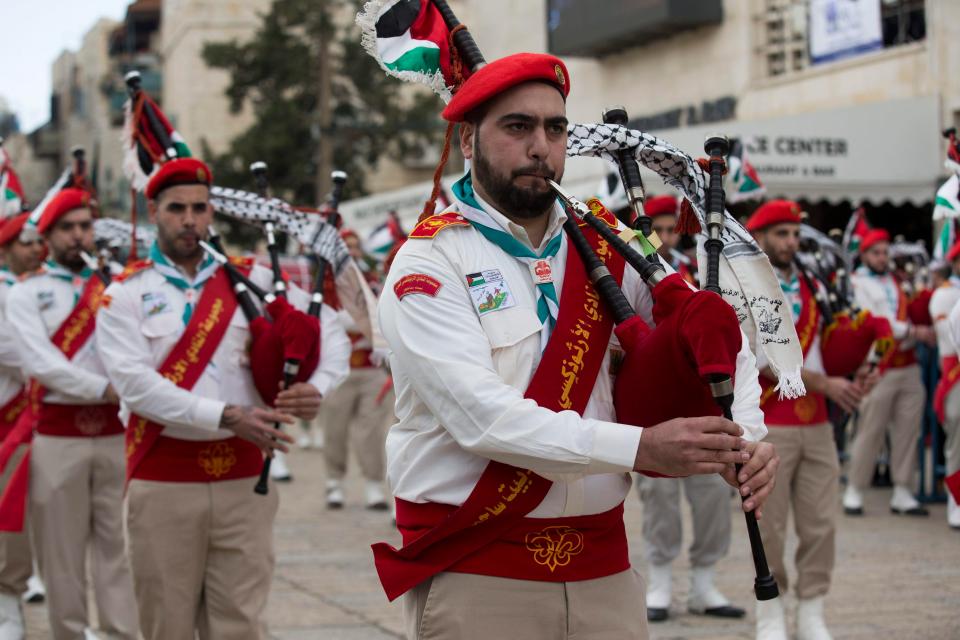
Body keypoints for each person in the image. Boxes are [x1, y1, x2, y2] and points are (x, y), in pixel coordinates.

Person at [374, 52, 778, 640]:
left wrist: (742, 434)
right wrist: (640, 447)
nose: (541, 145)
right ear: (468, 140)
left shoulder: (608, 241)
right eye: (518, 127)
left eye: (555, 127)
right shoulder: (432, 261)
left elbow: (712, 329)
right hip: (480, 569)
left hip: (602, 570)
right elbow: (481, 418)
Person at [94, 157, 350, 639]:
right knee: (165, 623)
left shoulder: (251, 279)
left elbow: (329, 327)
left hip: (243, 479)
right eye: (176, 208)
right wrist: (226, 415)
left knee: (240, 624)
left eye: (200, 208)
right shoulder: (126, 293)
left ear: (212, 213)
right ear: (154, 211)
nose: (189, 219)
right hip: (163, 478)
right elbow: (134, 384)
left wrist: (320, 386)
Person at [6, 189, 139, 639]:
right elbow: (41, 364)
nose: (78, 235)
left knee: (117, 547)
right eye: (67, 227)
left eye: (85, 225)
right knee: (60, 553)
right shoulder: (28, 293)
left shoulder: (119, 283)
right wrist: (108, 387)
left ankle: (120, 633)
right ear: (47, 235)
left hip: (116, 433)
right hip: (58, 436)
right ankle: (69, 633)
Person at [747, 200, 876, 640]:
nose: (791, 242)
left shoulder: (814, 283)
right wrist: (826, 383)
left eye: (795, 234)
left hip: (818, 422)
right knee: (771, 524)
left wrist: (859, 366)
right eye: (781, 234)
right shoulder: (748, 286)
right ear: (759, 237)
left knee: (820, 523)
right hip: (771, 422)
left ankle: (812, 609)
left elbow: (832, 340)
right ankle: (771, 613)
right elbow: (763, 359)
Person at [637, 193, 743, 622]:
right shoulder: (631, 271)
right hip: (657, 401)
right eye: (655, 230)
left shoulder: (695, 273)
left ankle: (704, 581)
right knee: (659, 496)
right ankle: (660, 578)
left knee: (712, 494)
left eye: (668, 229)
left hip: (702, 398)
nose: (663, 238)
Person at [844, 229, 934, 516]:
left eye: (885, 252)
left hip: (907, 363)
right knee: (870, 429)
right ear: (865, 255)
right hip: (878, 366)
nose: (882, 258)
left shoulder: (898, 281)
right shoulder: (857, 283)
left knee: (908, 430)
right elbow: (876, 321)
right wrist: (913, 330)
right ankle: (855, 488)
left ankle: (903, 490)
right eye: (876, 253)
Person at [322, 229, 391, 510]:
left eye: (355, 247)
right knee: (335, 429)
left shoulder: (372, 284)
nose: (352, 252)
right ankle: (333, 482)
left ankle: (374, 485)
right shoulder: (326, 287)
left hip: (371, 370)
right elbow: (326, 324)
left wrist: (364, 324)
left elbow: (382, 319)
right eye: (345, 247)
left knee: (371, 430)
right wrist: (358, 323)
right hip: (340, 370)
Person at [0, 213, 44, 639]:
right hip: (6, 417)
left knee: (34, 515)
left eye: (37, 241)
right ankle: (7, 607)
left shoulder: (49, 290)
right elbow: (17, 353)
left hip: (38, 417)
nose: (34, 249)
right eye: (23, 242)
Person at [932, 240, 960, 529]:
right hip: (955, 372)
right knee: (957, 443)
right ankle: (956, 501)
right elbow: (949, 334)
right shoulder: (946, 296)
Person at [646, 194, 696, 285]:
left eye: (671, 230)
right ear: (646, 232)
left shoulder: (694, 269)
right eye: (657, 230)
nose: (664, 239)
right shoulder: (631, 268)